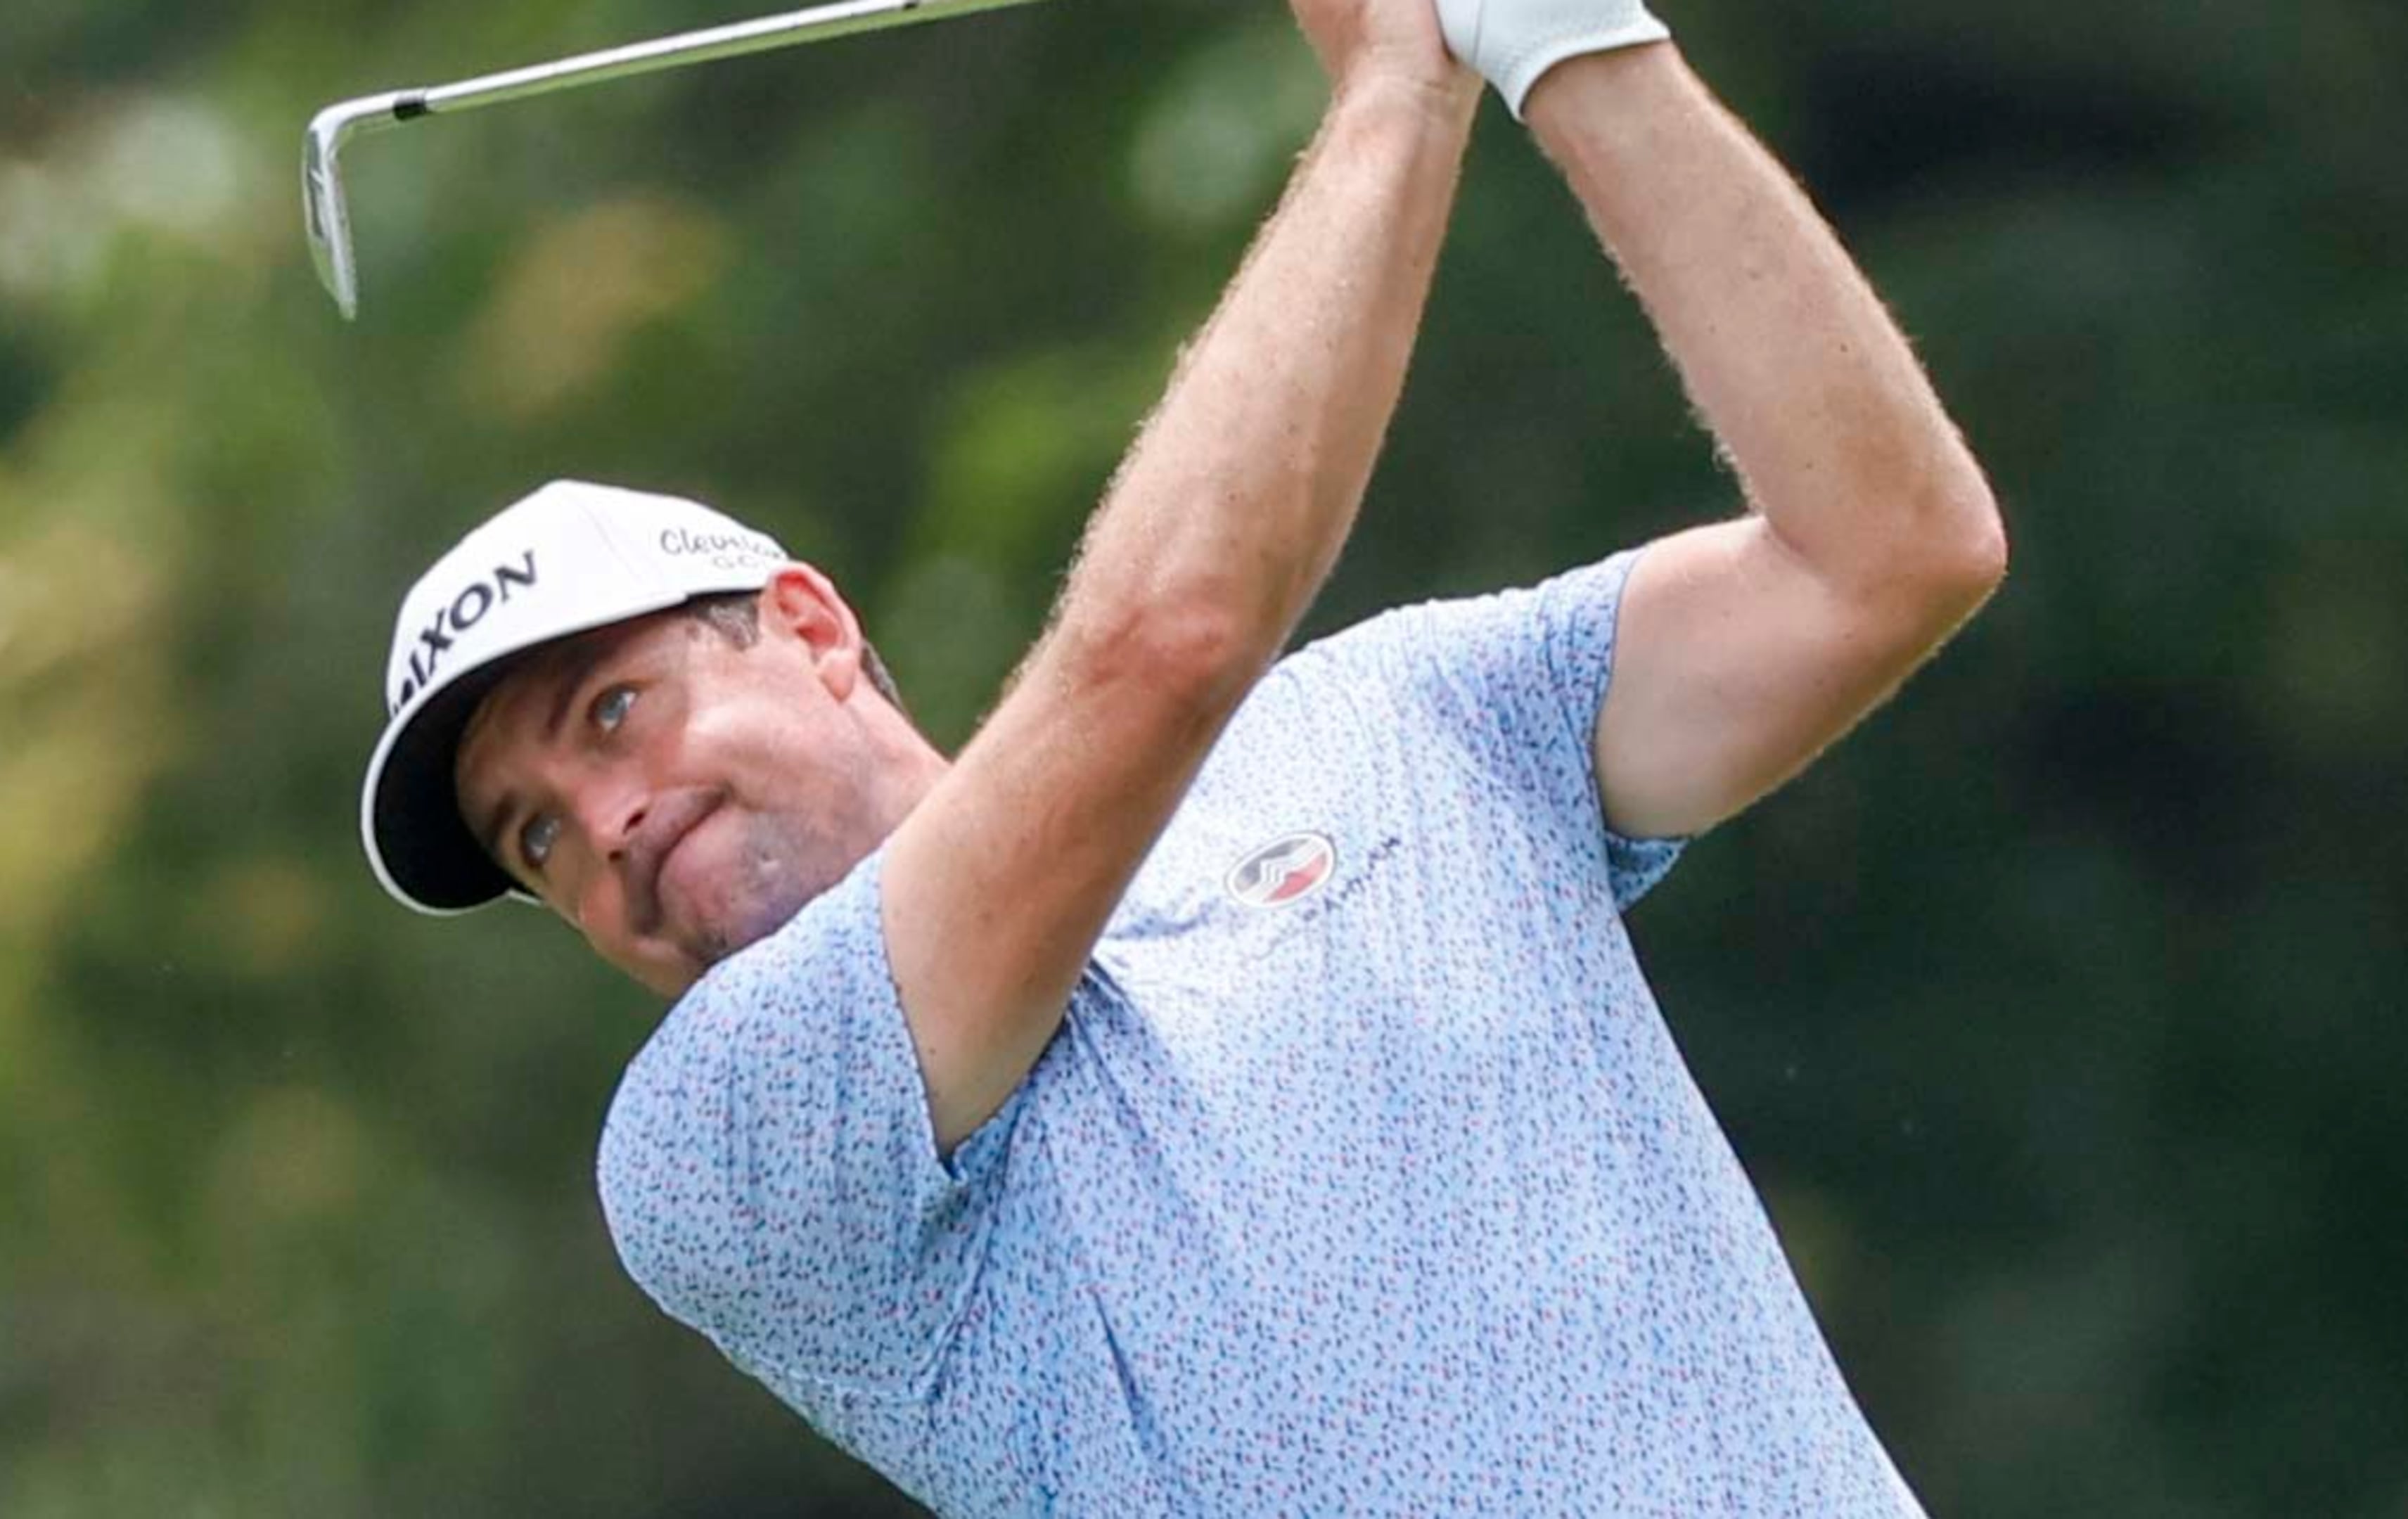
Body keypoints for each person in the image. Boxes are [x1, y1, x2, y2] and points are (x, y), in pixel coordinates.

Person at [357, 0, 2006, 1506]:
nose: (609, 822)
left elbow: (1885, 554)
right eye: (537, 842)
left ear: (807, 622)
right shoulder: (717, 1147)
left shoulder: (1405, 715)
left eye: (611, 714)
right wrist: (1399, 81)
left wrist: (1566, 40)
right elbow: (1168, 645)